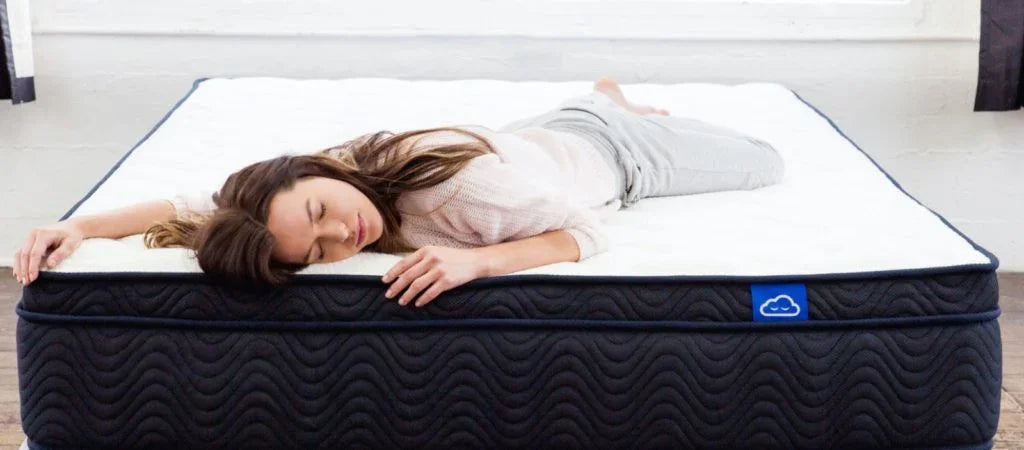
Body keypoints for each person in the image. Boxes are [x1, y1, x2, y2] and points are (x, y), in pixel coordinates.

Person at [10, 77, 785, 306]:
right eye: (316, 251)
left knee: (766, 160)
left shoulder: (465, 191)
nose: (342, 238)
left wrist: (479, 264)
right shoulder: (295, 196)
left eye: (321, 214)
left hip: (623, 157)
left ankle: (613, 103)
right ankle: (602, 95)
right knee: (550, 133)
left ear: (314, 169)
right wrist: (77, 226)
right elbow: (188, 210)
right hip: (534, 138)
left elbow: (586, 232)